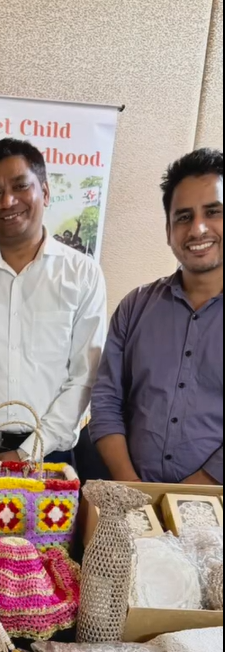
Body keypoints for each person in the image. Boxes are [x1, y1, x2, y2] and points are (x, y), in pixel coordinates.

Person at [0, 138, 107, 464]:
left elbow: (85, 376)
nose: (7, 201)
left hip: (53, 454)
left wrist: (25, 452)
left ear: (44, 192)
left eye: (20, 186)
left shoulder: (82, 275)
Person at [91, 148, 223, 484]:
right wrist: (135, 490)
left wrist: (188, 497)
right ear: (168, 230)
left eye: (213, 212)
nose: (198, 229)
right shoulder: (135, 307)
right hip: (131, 500)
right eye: (183, 217)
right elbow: (106, 402)